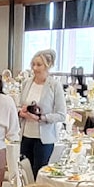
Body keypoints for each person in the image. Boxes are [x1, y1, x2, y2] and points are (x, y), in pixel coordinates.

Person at [18, 49, 67, 179]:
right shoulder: (27, 83)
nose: (35, 68)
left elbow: (61, 114)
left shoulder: (54, 85)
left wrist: (41, 118)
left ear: (48, 66)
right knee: (24, 172)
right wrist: (21, 111)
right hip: (26, 134)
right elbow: (18, 105)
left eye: (39, 65)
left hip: (44, 138)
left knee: (38, 173)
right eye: (33, 64)